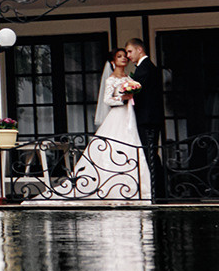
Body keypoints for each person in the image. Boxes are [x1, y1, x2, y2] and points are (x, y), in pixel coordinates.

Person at [36, 45, 150, 201]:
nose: (123, 58)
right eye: (119, 56)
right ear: (112, 62)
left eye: (124, 56)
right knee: (113, 147)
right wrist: (122, 99)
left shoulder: (129, 79)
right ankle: (109, 187)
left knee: (131, 145)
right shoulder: (111, 80)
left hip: (130, 117)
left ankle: (135, 187)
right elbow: (107, 100)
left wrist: (131, 94)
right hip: (117, 115)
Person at [122, 37, 164, 196]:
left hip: (148, 119)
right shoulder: (144, 68)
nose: (128, 55)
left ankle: (158, 191)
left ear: (140, 50)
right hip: (147, 118)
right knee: (149, 153)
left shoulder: (145, 68)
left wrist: (125, 94)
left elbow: (138, 93)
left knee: (150, 154)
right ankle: (157, 189)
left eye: (130, 51)